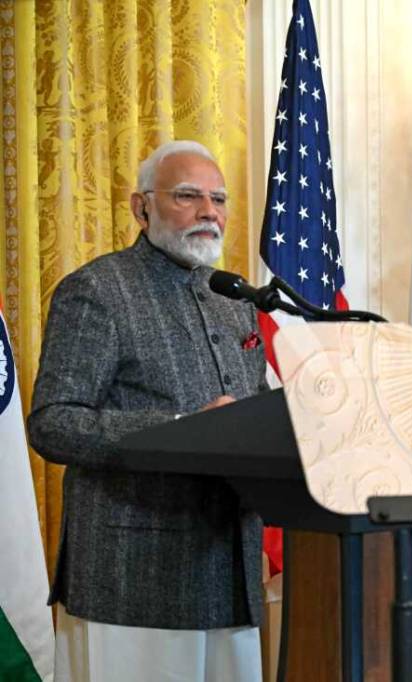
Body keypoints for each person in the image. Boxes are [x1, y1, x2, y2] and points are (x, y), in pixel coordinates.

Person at [29, 140, 268, 682]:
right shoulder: (97, 291)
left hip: (230, 573)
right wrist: (182, 431)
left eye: (218, 199)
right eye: (187, 196)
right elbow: (54, 424)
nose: (209, 211)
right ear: (141, 208)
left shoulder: (235, 300)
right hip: (131, 579)